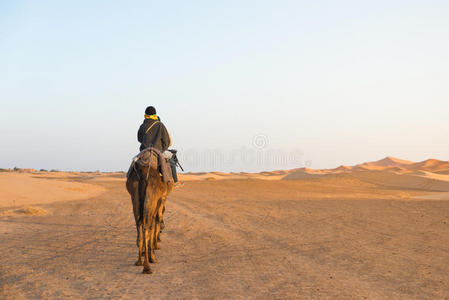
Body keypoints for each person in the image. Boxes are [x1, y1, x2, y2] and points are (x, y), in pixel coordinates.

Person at [137, 106, 182, 187]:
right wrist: (163, 148)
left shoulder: (142, 126)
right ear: (155, 114)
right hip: (158, 151)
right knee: (171, 157)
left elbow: (139, 139)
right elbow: (167, 141)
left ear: (146, 114)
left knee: (135, 161)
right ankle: (175, 181)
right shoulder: (160, 125)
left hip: (144, 151)